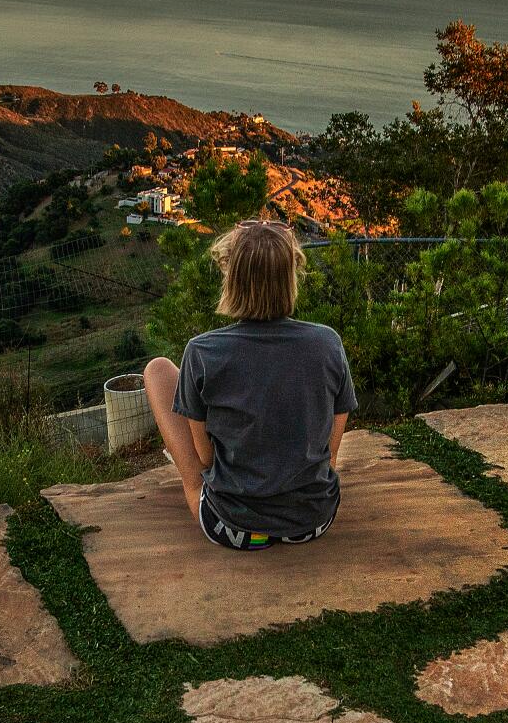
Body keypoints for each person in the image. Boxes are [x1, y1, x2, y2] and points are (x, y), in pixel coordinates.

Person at [143, 219, 356, 550]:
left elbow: (206, 458)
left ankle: (200, 491)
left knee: (157, 370)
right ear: (290, 278)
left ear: (231, 279)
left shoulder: (202, 352)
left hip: (232, 526)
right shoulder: (328, 344)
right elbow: (330, 453)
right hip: (313, 521)